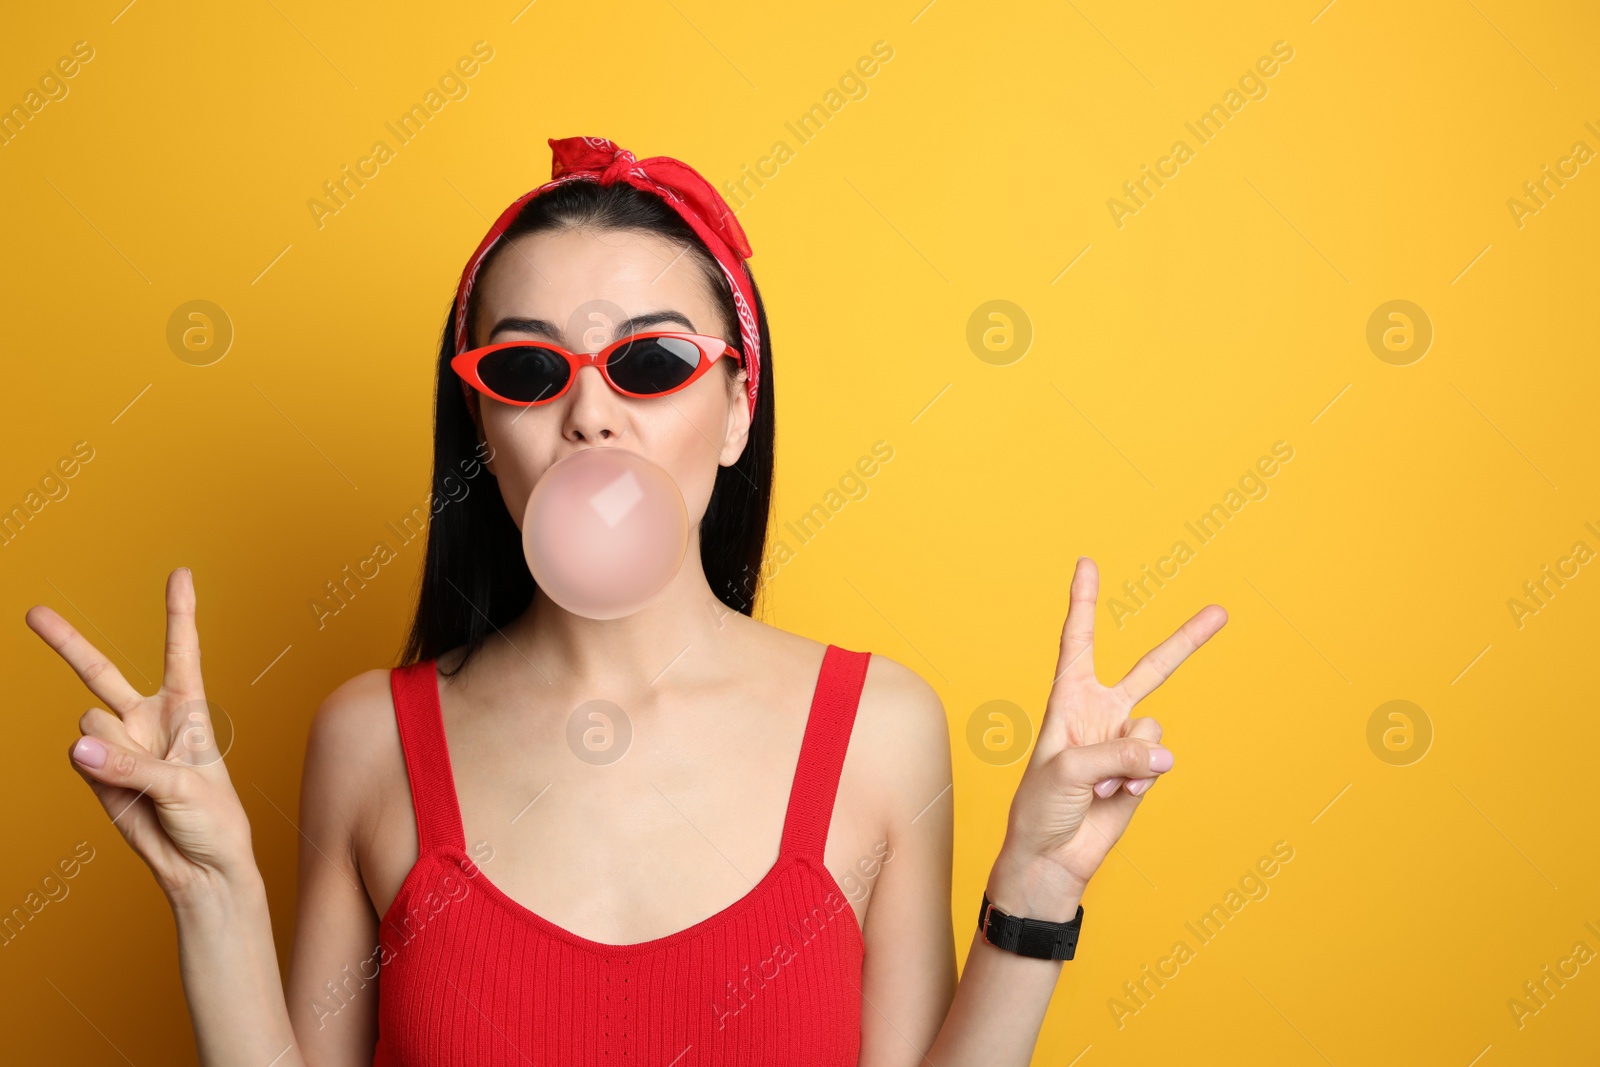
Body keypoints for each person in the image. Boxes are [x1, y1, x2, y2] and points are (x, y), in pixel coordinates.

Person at [26, 136, 1226, 1066]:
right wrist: (214, 892)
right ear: (483, 427)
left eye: (649, 363)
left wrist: (1035, 889)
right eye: (528, 368)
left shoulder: (880, 729)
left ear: (738, 406)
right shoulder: (367, 739)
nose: (590, 415)